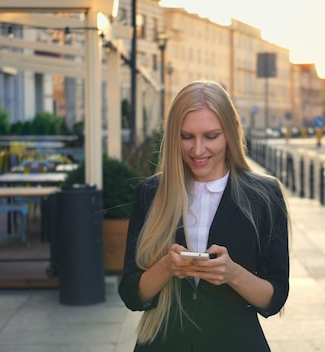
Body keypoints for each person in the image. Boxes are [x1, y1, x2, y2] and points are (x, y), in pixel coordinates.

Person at [118, 80, 290, 351]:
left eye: (211, 136)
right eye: (187, 137)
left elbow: (275, 297)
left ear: (230, 133)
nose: (198, 150)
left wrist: (232, 273)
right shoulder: (150, 193)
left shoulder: (264, 195)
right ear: (174, 135)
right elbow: (131, 294)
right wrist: (167, 268)